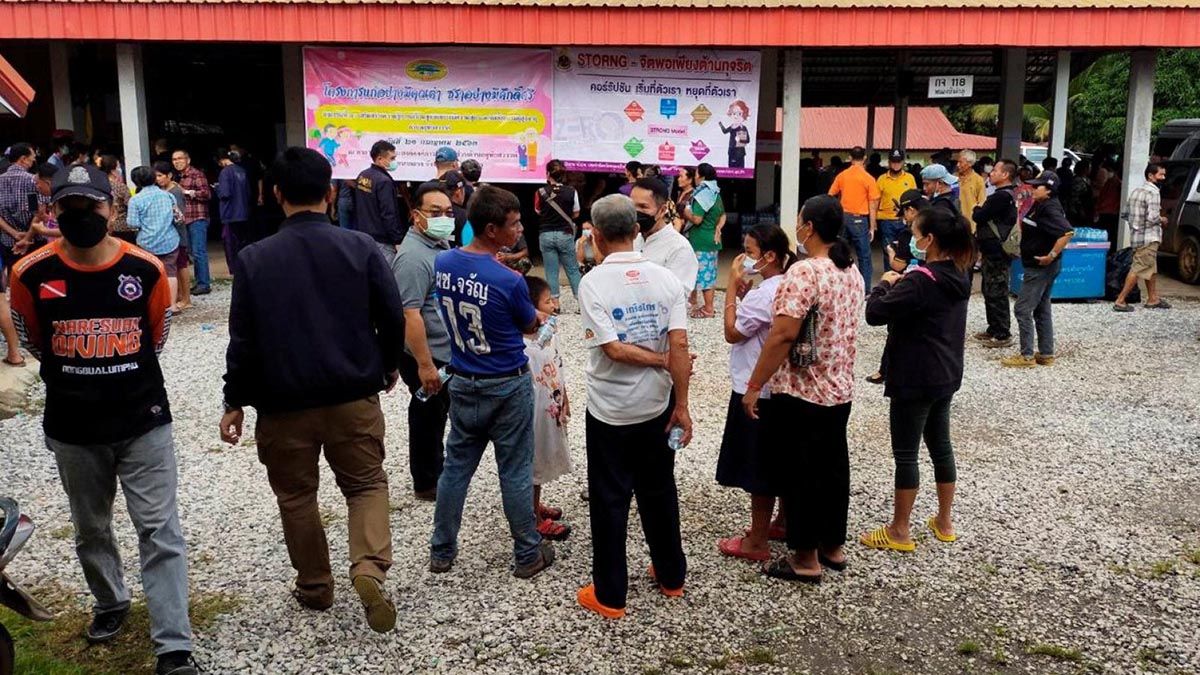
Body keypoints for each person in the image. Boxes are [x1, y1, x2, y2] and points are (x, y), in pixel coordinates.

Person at [9, 163, 197, 675]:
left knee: (160, 530)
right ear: (53, 210)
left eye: (90, 205)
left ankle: (173, 646)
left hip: (143, 419)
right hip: (73, 426)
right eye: (68, 206)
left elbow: (155, 337)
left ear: (112, 210)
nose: (81, 214)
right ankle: (110, 600)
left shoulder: (145, 269)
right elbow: (32, 339)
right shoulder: (29, 273)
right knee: (90, 527)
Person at [220, 147, 406, 633]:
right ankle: (368, 567)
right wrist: (387, 366)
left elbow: (243, 339)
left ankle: (316, 585)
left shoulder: (254, 258)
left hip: (283, 405)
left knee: (297, 496)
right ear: (330, 192)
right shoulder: (361, 247)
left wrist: (234, 400)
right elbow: (391, 316)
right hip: (352, 395)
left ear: (274, 194)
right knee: (365, 484)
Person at [574, 194, 692, 619]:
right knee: (659, 489)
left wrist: (662, 361)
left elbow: (613, 349)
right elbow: (680, 344)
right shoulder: (666, 280)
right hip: (657, 404)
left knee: (610, 498)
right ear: (637, 231)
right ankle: (671, 575)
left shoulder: (593, 283)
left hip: (610, 410)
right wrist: (683, 405)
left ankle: (611, 595)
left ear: (596, 235)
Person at [429, 185, 554, 579]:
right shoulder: (509, 280)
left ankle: (441, 550)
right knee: (514, 470)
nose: (520, 230)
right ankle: (527, 553)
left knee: (455, 468)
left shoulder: (444, 262)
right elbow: (528, 324)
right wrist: (537, 317)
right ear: (491, 229)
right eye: (514, 224)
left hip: (464, 379)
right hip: (506, 382)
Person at [742, 195, 862, 584]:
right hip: (839, 386)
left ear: (808, 228)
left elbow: (783, 333)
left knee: (801, 473)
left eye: (799, 220)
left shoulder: (805, 272)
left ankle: (805, 557)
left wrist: (755, 384)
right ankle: (832, 545)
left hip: (802, 389)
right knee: (833, 468)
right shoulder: (851, 269)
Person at [861, 206, 974, 553]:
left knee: (906, 453)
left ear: (930, 240)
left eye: (915, 233)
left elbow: (874, 313)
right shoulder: (960, 272)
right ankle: (944, 521)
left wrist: (884, 283)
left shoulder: (921, 281)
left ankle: (900, 530)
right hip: (946, 372)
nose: (911, 239)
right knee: (941, 445)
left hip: (915, 374)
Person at [715, 224, 794, 562]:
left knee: (759, 465)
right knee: (782, 459)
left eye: (749, 252)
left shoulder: (764, 294)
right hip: (784, 386)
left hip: (754, 385)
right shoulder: (789, 285)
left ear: (770, 256)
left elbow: (733, 332)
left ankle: (757, 540)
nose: (743, 259)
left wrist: (732, 287)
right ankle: (784, 521)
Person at [393, 182, 455, 501]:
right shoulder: (413, 258)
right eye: (435, 212)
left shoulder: (437, 245)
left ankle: (438, 470)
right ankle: (427, 481)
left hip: (443, 350)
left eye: (448, 212)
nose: (444, 218)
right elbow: (410, 314)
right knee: (427, 414)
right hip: (426, 354)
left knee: (437, 413)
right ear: (416, 216)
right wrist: (425, 364)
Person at [1002, 172, 1074, 368]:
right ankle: (1046, 353)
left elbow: (1067, 232)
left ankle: (1026, 356)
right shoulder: (1042, 204)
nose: (1032, 189)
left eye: (1037, 186)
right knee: (1042, 308)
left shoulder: (1050, 208)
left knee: (1022, 309)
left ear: (1049, 190)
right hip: (1042, 265)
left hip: (1040, 267)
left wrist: (1051, 255)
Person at [521, 275, 574, 541]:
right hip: (533, 415)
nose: (554, 304)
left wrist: (565, 396)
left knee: (541, 460)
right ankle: (532, 518)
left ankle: (534, 505)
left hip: (551, 407)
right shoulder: (520, 346)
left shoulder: (550, 333)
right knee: (532, 462)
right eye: (547, 301)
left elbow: (558, 364)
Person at [867, 189, 929, 385]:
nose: (904, 218)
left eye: (904, 213)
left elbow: (898, 266)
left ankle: (885, 371)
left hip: (908, 283)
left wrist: (891, 253)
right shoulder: (938, 226)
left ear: (911, 210)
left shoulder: (908, 234)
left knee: (896, 329)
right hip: (931, 285)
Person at [972, 159, 1019, 348]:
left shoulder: (1001, 197)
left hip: (997, 252)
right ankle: (993, 327)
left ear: (1005, 174)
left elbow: (979, 215)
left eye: (995, 170)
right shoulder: (1005, 195)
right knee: (990, 289)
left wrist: (977, 208)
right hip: (992, 251)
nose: (991, 173)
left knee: (996, 290)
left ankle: (1002, 333)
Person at [1114, 163, 1171, 312]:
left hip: (1137, 236)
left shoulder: (1136, 191)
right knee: (1138, 268)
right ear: (1150, 176)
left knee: (1150, 267)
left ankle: (1153, 299)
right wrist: (1163, 219)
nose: (1163, 177)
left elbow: (1125, 214)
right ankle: (1120, 300)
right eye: (1161, 174)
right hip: (1149, 237)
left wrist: (1136, 226)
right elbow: (1153, 218)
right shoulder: (1154, 192)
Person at [127, 166, 182, 312]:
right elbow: (178, 218)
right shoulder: (168, 196)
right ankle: (172, 305)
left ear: (136, 181)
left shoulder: (135, 200)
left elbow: (132, 223)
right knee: (170, 272)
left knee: (148, 273)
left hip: (146, 243)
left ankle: (152, 306)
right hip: (169, 240)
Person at [827, 146, 881, 292]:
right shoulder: (868, 178)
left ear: (850, 158)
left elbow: (830, 195)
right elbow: (873, 204)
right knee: (864, 257)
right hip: (859, 220)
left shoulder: (842, 176)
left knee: (839, 253)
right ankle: (865, 290)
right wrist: (872, 226)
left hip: (843, 218)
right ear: (865, 158)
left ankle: (839, 287)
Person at [632, 177, 699, 294]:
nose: (636, 212)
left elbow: (677, 296)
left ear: (662, 210)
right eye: (632, 206)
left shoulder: (679, 248)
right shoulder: (632, 240)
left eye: (643, 207)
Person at [534, 159, 582, 303]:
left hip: (546, 234)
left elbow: (538, 211)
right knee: (572, 269)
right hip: (565, 234)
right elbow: (576, 213)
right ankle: (580, 301)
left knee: (551, 270)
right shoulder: (572, 191)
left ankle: (555, 303)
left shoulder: (540, 192)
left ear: (548, 174)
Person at [683, 163, 725, 317]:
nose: (694, 177)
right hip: (712, 239)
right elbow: (723, 215)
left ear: (701, 176)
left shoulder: (702, 195)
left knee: (704, 276)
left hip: (700, 241)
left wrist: (684, 212)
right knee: (708, 274)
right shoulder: (715, 193)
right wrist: (718, 227)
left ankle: (708, 309)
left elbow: (697, 219)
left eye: (696, 174)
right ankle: (696, 301)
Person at [354, 140, 404, 263]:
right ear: (380, 159)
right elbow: (389, 213)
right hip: (382, 240)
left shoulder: (363, 175)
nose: (394, 161)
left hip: (364, 234)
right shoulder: (384, 181)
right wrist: (397, 240)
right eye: (392, 158)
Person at [173, 150, 212, 296]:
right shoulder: (177, 177)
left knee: (199, 252)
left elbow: (206, 194)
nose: (177, 161)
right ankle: (199, 282)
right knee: (190, 252)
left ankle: (204, 284)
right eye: (174, 159)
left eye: (180, 158)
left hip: (197, 217)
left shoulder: (197, 174)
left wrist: (187, 192)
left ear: (188, 160)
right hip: (185, 219)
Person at [153, 162, 191, 311]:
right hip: (170, 235)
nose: (158, 179)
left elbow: (179, 216)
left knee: (182, 266)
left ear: (169, 175)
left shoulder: (175, 192)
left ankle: (186, 298)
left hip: (178, 234)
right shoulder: (163, 191)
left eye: (160, 175)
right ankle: (180, 295)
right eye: (156, 176)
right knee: (175, 267)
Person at [876, 150, 917, 271]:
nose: (896, 165)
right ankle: (888, 276)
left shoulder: (909, 178)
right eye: (893, 162)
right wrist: (873, 222)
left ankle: (904, 275)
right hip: (886, 220)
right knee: (888, 249)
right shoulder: (882, 179)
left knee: (906, 249)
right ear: (889, 162)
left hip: (905, 220)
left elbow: (915, 199)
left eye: (898, 162)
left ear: (903, 162)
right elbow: (875, 201)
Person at [0, 143, 41, 266]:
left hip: (8, 242)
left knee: (13, 274)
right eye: (32, 157)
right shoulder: (33, 181)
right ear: (23, 159)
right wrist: (27, 237)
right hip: (33, 242)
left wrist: (14, 233)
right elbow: (38, 213)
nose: (34, 161)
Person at [216, 150, 252, 267]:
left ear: (222, 160)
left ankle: (235, 268)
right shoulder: (242, 171)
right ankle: (245, 265)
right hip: (243, 212)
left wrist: (217, 188)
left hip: (230, 213)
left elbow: (225, 193)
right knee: (242, 242)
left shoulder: (225, 172)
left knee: (230, 244)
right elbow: (248, 192)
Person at [99, 155, 134, 244]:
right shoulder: (120, 187)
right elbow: (130, 205)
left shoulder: (99, 186)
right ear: (113, 170)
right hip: (122, 227)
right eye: (118, 166)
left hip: (104, 226)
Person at [956, 150, 986, 231]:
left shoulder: (978, 180)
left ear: (970, 164)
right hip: (954, 222)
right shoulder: (954, 178)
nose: (958, 165)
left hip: (970, 224)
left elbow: (982, 202)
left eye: (960, 162)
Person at [673, 166, 696, 231]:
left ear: (690, 180)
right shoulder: (680, 193)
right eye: (678, 176)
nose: (678, 179)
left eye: (681, 176)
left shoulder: (694, 195)